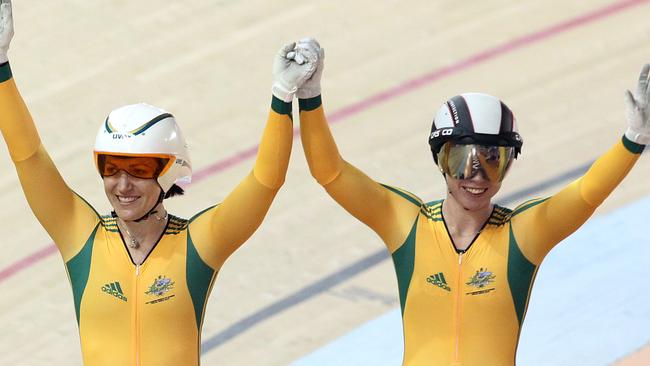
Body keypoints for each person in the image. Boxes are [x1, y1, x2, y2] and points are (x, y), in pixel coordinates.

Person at [294, 38, 649, 365]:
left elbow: (587, 192)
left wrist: (633, 139)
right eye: (461, 160)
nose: (476, 176)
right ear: (439, 159)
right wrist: (309, 95)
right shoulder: (407, 224)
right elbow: (330, 173)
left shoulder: (524, 233)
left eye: (493, 160)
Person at [0, 1, 318, 364]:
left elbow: (265, 182)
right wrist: (0, 63)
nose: (122, 185)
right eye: (111, 169)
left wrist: (282, 96)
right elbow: (28, 156)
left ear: (167, 172)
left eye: (137, 170)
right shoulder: (80, 236)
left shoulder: (199, 244)